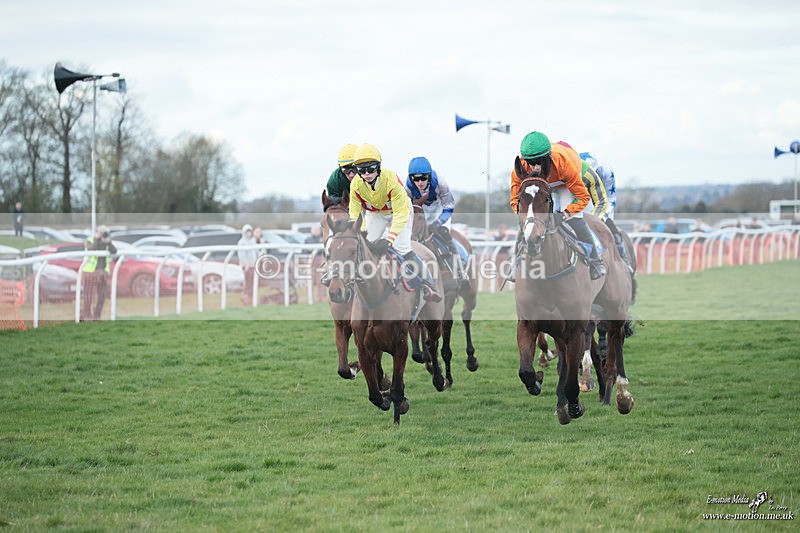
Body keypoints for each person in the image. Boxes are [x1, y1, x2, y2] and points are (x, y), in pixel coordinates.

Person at [348, 143, 439, 301]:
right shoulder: (355, 184)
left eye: (371, 168)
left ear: (378, 167)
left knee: (402, 248)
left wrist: (390, 239)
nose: (367, 173)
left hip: (400, 212)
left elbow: (400, 214)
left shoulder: (391, 181)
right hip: (376, 214)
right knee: (366, 246)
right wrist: (357, 233)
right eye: (362, 170)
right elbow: (355, 213)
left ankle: (428, 285)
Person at [510, 131, 606, 280]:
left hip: (564, 182)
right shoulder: (520, 168)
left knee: (573, 218)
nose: (535, 167)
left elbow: (583, 197)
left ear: (547, 157)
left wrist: (566, 214)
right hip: (541, 184)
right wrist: (523, 214)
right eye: (531, 163)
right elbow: (515, 199)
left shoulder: (564, 163)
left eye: (539, 162)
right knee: (527, 222)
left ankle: (595, 260)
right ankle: (515, 264)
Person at [404, 156, 467, 284]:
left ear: (429, 176)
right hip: (421, 211)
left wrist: (438, 223)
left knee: (444, 233)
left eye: (423, 178)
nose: (420, 182)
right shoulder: (408, 187)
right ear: (411, 179)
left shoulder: (440, 182)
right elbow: (407, 208)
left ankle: (460, 271)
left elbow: (449, 205)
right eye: (416, 179)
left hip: (440, 209)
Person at [579, 151, 632, 269]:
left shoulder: (606, 172)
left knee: (608, 226)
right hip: (585, 203)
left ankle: (624, 261)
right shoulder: (575, 170)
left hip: (604, 201)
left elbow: (609, 199)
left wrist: (598, 218)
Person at [81, 225, 117, 321]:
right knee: (88, 297)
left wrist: (108, 243)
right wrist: (97, 239)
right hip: (90, 272)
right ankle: (84, 316)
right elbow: (91, 249)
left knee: (102, 296)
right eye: (103, 233)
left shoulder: (107, 243)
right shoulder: (89, 240)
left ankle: (96, 317)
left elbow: (114, 251)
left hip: (102, 273)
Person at [237, 224, 257, 305]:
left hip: (253, 266)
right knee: (248, 283)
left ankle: (251, 299)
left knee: (252, 283)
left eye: (249, 231)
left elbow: (255, 253)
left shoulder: (252, 241)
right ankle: (246, 299)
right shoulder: (241, 242)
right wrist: (246, 265)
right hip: (247, 267)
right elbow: (242, 256)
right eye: (247, 232)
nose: (248, 233)